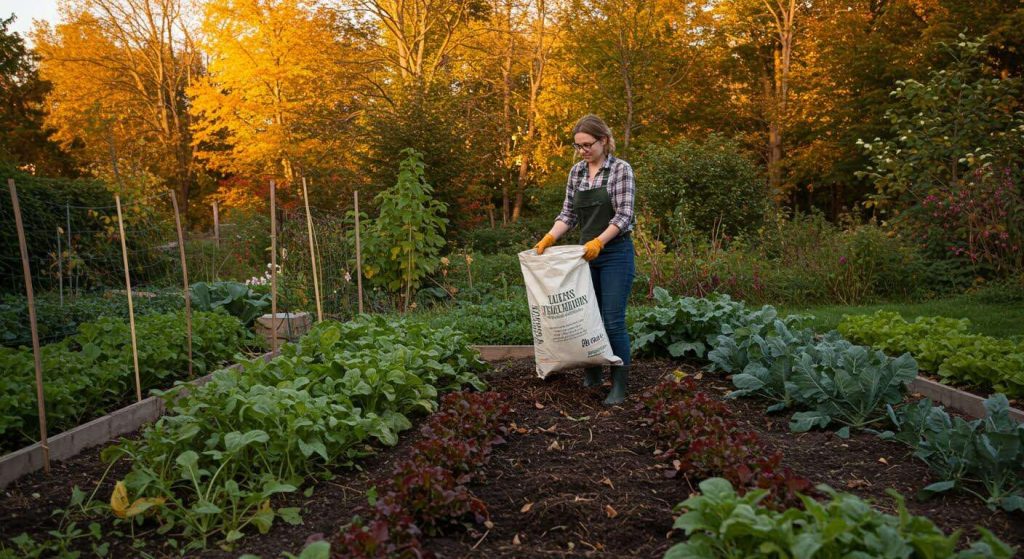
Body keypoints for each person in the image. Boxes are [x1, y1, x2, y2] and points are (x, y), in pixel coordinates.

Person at [532, 114, 635, 405]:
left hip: (615, 254)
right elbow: (569, 214)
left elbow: (624, 216)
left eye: (588, 145)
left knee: (613, 321)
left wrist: (599, 242)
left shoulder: (620, 170)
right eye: (578, 146)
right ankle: (593, 371)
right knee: (588, 318)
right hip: (584, 256)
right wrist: (549, 237)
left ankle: (618, 384)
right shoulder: (577, 173)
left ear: (603, 141)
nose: (583, 151)